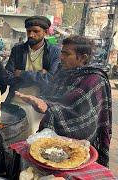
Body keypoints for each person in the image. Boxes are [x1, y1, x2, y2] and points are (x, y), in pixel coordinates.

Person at [16, 35, 112, 167]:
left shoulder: (94, 80)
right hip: (53, 141)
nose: (61, 57)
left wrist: (49, 107)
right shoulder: (62, 72)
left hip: (79, 144)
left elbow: (82, 118)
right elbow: (52, 97)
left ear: (83, 58)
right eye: (62, 52)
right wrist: (40, 102)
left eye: (67, 54)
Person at [5, 16, 61, 134]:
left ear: (45, 32)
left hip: (40, 103)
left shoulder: (54, 52)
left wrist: (21, 73)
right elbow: (8, 76)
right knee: (11, 135)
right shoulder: (18, 50)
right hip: (16, 99)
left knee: (33, 138)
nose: (31, 35)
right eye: (29, 31)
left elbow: (51, 80)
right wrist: (40, 74)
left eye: (36, 31)